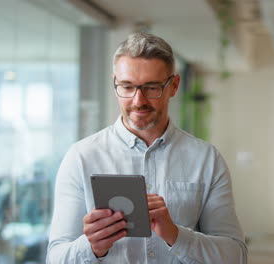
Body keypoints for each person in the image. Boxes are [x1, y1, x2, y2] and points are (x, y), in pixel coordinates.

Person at [47, 32, 247, 263]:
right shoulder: (81, 157)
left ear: (174, 86)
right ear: (115, 84)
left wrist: (175, 234)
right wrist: (92, 247)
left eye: (152, 88)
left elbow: (235, 256)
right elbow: (56, 258)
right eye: (127, 86)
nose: (138, 100)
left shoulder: (206, 159)